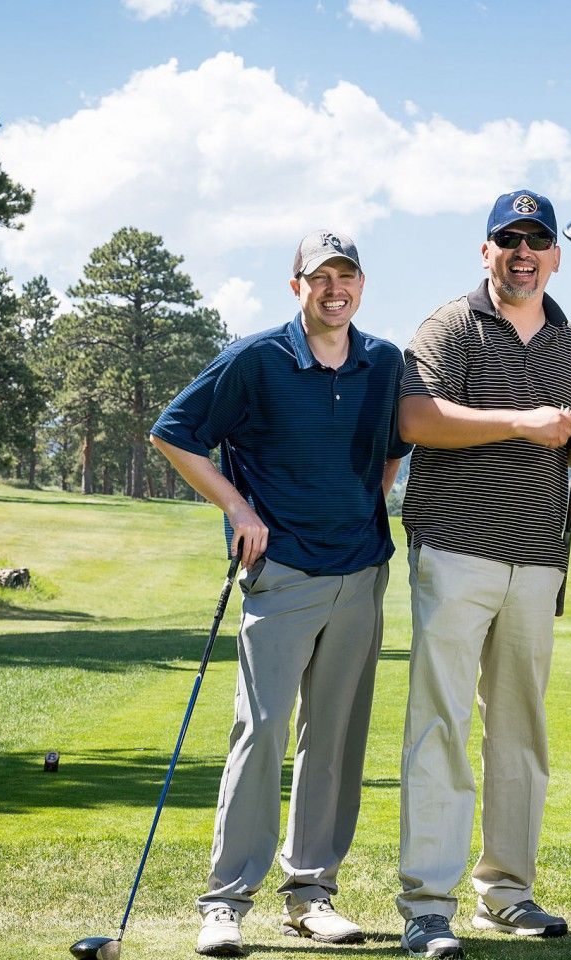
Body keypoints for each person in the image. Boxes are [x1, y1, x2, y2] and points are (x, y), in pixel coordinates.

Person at [149, 230, 410, 956]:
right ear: (295, 284)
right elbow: (173, 433)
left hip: (360, 574)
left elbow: (393, 449)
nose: (335, 289)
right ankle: (226, 901)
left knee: (333, 740)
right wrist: (238, 509)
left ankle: (311, 896)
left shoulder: (383, 361)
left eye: (346, 276)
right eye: (320, 276)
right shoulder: (255, 360)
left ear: (361, 283)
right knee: (260, 733)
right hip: (283, 572)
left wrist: (363, 507)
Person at [394, 189, 571, 959]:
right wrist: (522, 421)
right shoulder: (450, 325)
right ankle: (426, 905)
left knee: (520, 733)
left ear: (553, 255)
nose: (521, 251)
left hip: (537, 560)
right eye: (506, 238)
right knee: (439, 727)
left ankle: (506, 892)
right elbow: (417, 421)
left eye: (535, 240)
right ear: (485, 251)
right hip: (454, 548)